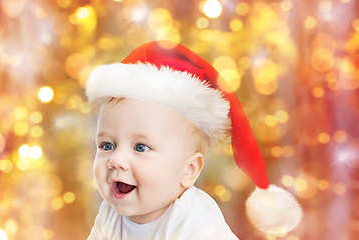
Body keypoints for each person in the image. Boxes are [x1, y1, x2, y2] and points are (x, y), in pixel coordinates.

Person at [85, 41, 302, 240]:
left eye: (140, 147)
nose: (116, 159)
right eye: (107, 145)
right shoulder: (109, 214)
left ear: (189, 170)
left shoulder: (194, 219)